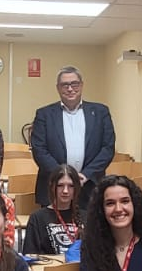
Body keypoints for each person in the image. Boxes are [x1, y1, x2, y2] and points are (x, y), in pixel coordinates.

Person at [30, 66, 116, 209]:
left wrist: (86, 174)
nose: (70, 89)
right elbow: (39, 150)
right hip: (54, 187)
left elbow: (107, 148)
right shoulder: (44, 114)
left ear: (81, 85)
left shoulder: (101, 112)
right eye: (65, 85)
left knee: (89, 230)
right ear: (58, 88)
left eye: (74, 84)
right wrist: (63, 177)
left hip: (90, 186)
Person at [20, 164, 81, 256]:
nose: (65, 191)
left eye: (70, 186)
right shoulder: (37, 218)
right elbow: (30, 255)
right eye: (60, 185)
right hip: (50, 269)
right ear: (52, 187)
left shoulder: (87, 216)